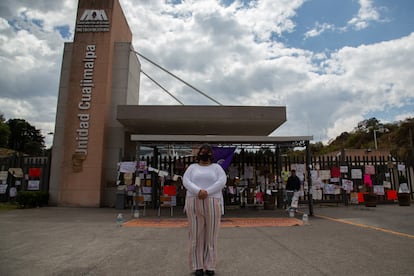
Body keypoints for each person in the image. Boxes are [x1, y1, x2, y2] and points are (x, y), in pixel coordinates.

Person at [183, 144, 227, 276]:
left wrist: (207, 192)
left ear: (211, 155)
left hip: (213, 201)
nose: (204, 154)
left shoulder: (217, 168)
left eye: (207, 152)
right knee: (196, 235)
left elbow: (222, 181)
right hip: (194, 201)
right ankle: (197, 266)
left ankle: (210, 266)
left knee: (211, 236)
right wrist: (198, 191)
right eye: (202, 152)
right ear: (198, 154)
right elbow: (186, 181)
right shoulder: (192, 168)